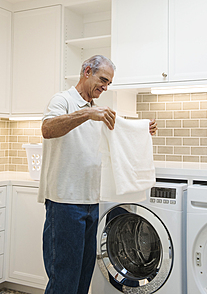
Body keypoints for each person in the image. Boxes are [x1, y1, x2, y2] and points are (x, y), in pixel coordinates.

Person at [38, 55, 157, 294]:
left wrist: (143, 130)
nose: (105, 86)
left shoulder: (97, 110)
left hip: (91, 202)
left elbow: (121, 133)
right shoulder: (63, 100)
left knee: (83, 276)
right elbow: (48, 129)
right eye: (102, 79)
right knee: (64, 278)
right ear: (86, 72)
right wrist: (87, 114)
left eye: (109, 83)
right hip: (65, 202)